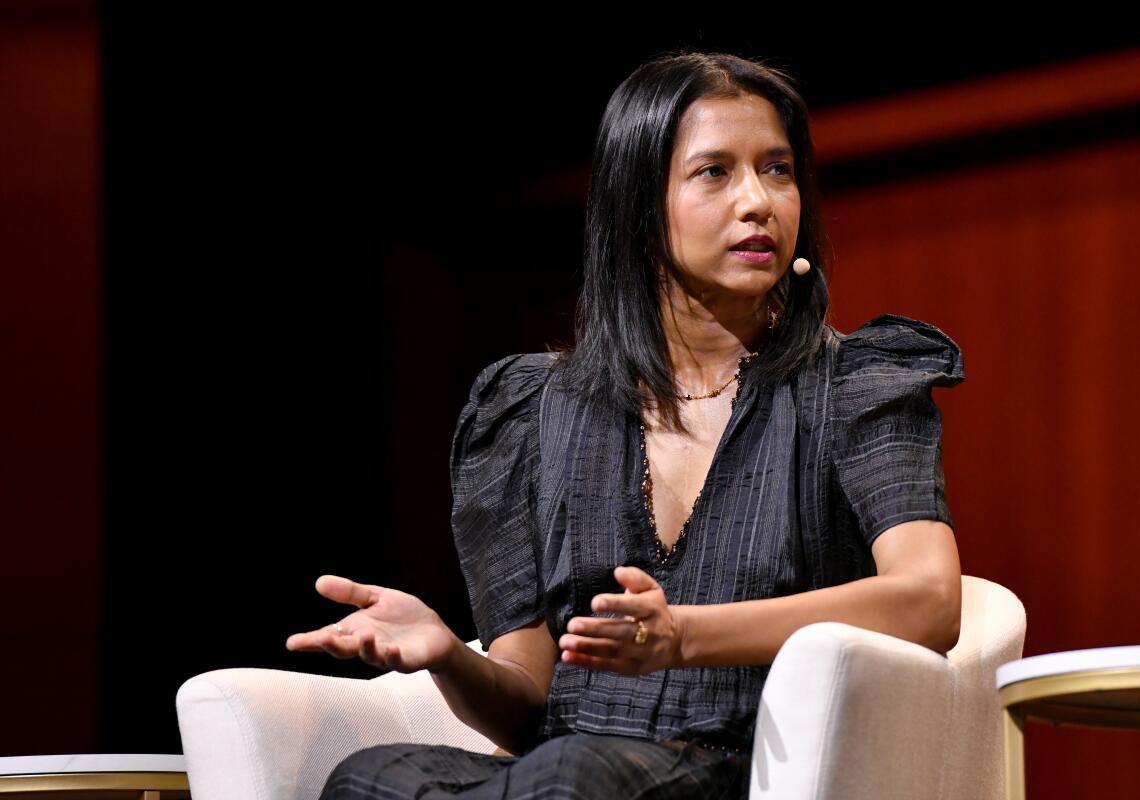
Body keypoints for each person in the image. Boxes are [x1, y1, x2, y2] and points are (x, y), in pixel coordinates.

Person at [287, 50, 965, 799]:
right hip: (568, 768)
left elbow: (929, 598)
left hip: (749, 765)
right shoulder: (537, 410)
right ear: (639, 209)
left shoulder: (856, 383)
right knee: (370, 777)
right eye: (716, 172)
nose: (759, 202)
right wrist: (448, 654)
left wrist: (683, 637)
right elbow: (529, 707)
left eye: (777, 169)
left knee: (571, 775)